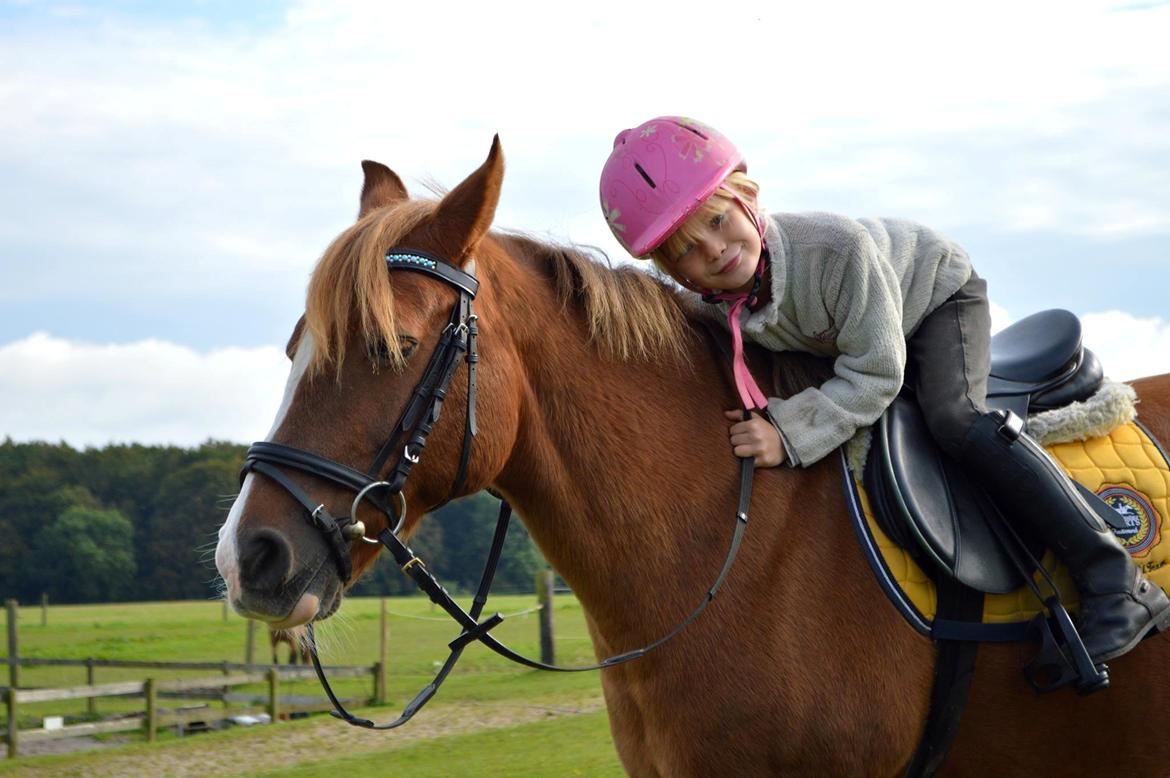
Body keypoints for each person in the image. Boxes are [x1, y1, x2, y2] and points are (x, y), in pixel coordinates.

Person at [598, 115, 1170, 669]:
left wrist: (789, 433)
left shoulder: (836, 249)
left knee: (955, 418)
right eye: (689, 251)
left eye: (719, 222)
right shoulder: (714, 301)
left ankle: (1114, 578)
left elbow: (876, 373)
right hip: (848, 337)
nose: (715, 250)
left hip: (934, 301)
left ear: (746, 196)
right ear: (676, 273)